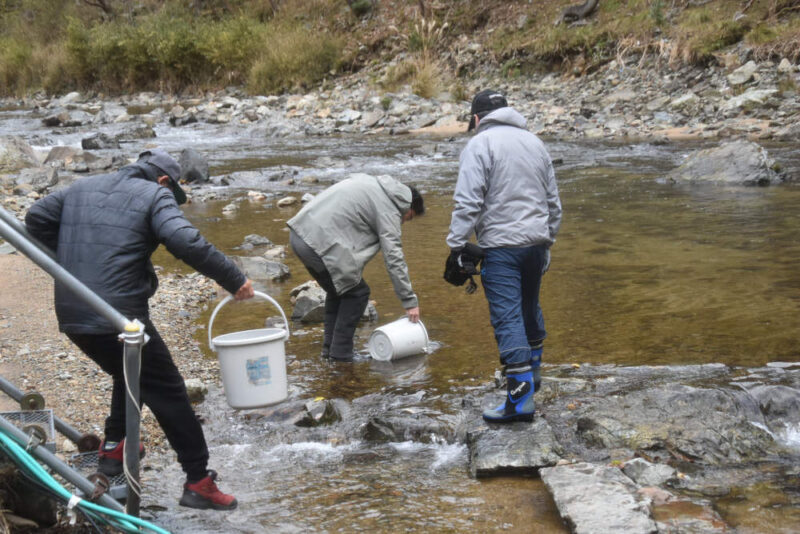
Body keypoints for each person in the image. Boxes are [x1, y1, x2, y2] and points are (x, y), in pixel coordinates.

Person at [25, 148, 254, 510]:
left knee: (128, 369)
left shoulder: (83, 186)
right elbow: (185, 241)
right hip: (115, 314)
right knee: (169, 390)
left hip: (74, 310)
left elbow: (36, 217)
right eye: (173, 191)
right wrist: (234, 278)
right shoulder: (154, 193)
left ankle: (114, 450)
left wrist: (79, 262)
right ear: (163, 180)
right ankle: (199, 481)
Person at [446, 90, 562, 423]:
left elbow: (468, 202)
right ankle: (533, 374)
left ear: (477, 119)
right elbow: (553, 203)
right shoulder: (535, 143)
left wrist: (456, 246)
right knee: (529, 308)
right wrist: (548, 241)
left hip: (501, 247)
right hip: (536, 245)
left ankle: (520, 400)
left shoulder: (479, 146)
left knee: (507, 317)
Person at [287, 173, 424, 361]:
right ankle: (341, 355)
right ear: (409, 207)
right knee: (357, 294)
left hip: (298, 234)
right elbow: (394, 257)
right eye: (408, 218)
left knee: (340, 290)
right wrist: (410, 302)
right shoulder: (390, 208)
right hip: (315, 244)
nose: (403, 222)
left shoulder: (368, 181)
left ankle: (329, 352)